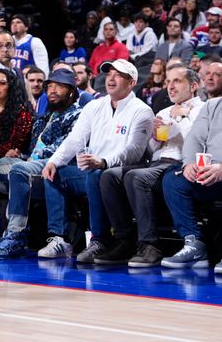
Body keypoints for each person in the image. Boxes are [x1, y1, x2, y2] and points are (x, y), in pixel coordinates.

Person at [39, 59, 153, 262]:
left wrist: (103, 161)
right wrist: (54, 161)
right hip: (93, 169)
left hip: (121, 172)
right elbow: (75, 138)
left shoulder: (141, 110)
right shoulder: (94, 106)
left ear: (132, 82)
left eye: (118, 75)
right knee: (53, 176)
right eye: (109, 74)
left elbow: (134, 151)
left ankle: (99, 240)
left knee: (96, 175)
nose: (111, 78)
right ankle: (59, 239)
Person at [0, 69, 81, 257]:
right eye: (49, 87)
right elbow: (32, 150)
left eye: (59, 86)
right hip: (30, 162)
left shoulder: (78, 115)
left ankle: (16, 233)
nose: (52, 91)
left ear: (71, 91)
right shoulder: (44, 117)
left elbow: (67, 152)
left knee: (18, 169)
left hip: (56, 166)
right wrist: (20, 153)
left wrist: (25, 159)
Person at [96, 63, 203, 267]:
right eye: (168, 82)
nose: (170, 86)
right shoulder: (163, 110)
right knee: (109, 176)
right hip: (157, 162)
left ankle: (150, 245)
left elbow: (198, 142)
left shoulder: (202, 109)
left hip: (180, 164)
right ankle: (125, 240)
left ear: (194, 85)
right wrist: (154, 138)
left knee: (135, 177)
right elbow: (152, 150)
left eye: (177, 81)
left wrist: (180, 119)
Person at [160, 96, 222, 271]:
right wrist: (189, 164)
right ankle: (194, 243)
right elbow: (194, 137)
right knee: (174, 179)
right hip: (209, 171)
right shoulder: (213, 105)